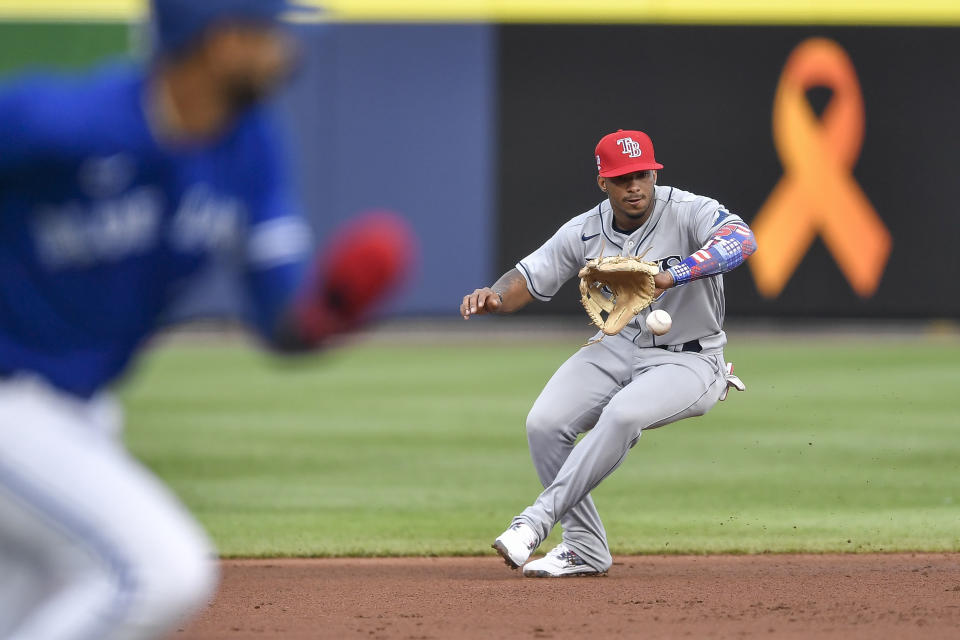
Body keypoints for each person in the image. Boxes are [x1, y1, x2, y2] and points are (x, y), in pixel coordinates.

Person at [0, 1, 414, 638]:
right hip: (11, 402)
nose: (286, 47)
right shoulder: (66, 123)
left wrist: (328, 313)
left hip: (76, 412)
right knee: (160, 571)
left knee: (33, 602)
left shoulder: (249, 148)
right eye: (269, 31)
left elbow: (280, 319)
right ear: (221, 42)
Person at [460, 129, 756, 578]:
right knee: (545, 424)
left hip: (689, 357)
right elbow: (526, 275)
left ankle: (535, 522)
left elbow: (742, 241)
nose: (634, 186)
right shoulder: (584, 230)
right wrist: (495, 297)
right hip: (617, 346)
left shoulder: (689, 210)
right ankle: (583, 548)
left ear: (654, 174)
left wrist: (673, 274)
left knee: (622, 415)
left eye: (642, 175)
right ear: (604, 183)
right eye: (622, 178)